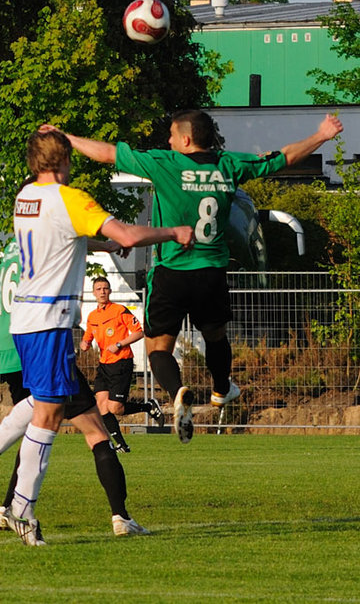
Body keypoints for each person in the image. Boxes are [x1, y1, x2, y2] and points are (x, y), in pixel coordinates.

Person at [39, 111, 344, 445]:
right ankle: (221, 387)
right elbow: (282, 158)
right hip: (211, 273)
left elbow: (109, 152)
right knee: (216, 336)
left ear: (186, 139)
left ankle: (176, 392)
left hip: (171, 271)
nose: (168, 140)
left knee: (158, 349)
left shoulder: (165, 162)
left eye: (171, 134)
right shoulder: (230, 164)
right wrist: (322, 135)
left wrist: (66, 138)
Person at [0, 128, 193, 546]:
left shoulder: (24, 197)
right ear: (65, 160)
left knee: (43, 403)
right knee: (48, 416)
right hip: (50, 320)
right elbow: (126, 234)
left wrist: (100, 245)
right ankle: (20, 508)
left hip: (26, 321)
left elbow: (60, 237)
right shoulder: (73, 198)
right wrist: (172, 232)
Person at [0, 236, 132, 531]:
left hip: (9, 350)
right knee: (95, 432)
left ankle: (6, 506)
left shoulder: (11, 254)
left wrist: (4, 332)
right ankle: (121, 517)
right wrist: (111, 243)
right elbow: (72, 238)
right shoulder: (42, 248)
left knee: (35, 427)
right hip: (40, 347)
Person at [80, 276, 164, 453]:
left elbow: (138, 332)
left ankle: (148, 406)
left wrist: (119, 344)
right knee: (101, 406)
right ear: (94, 292)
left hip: (121, 363)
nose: (102, 291)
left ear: (110, 291)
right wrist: (84, 344)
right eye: (99, 289)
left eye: (105, 288)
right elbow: (87, 337)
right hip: (104, 365)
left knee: (115, 408)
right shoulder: (92, 316)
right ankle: (121, 445)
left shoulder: (119, 310)